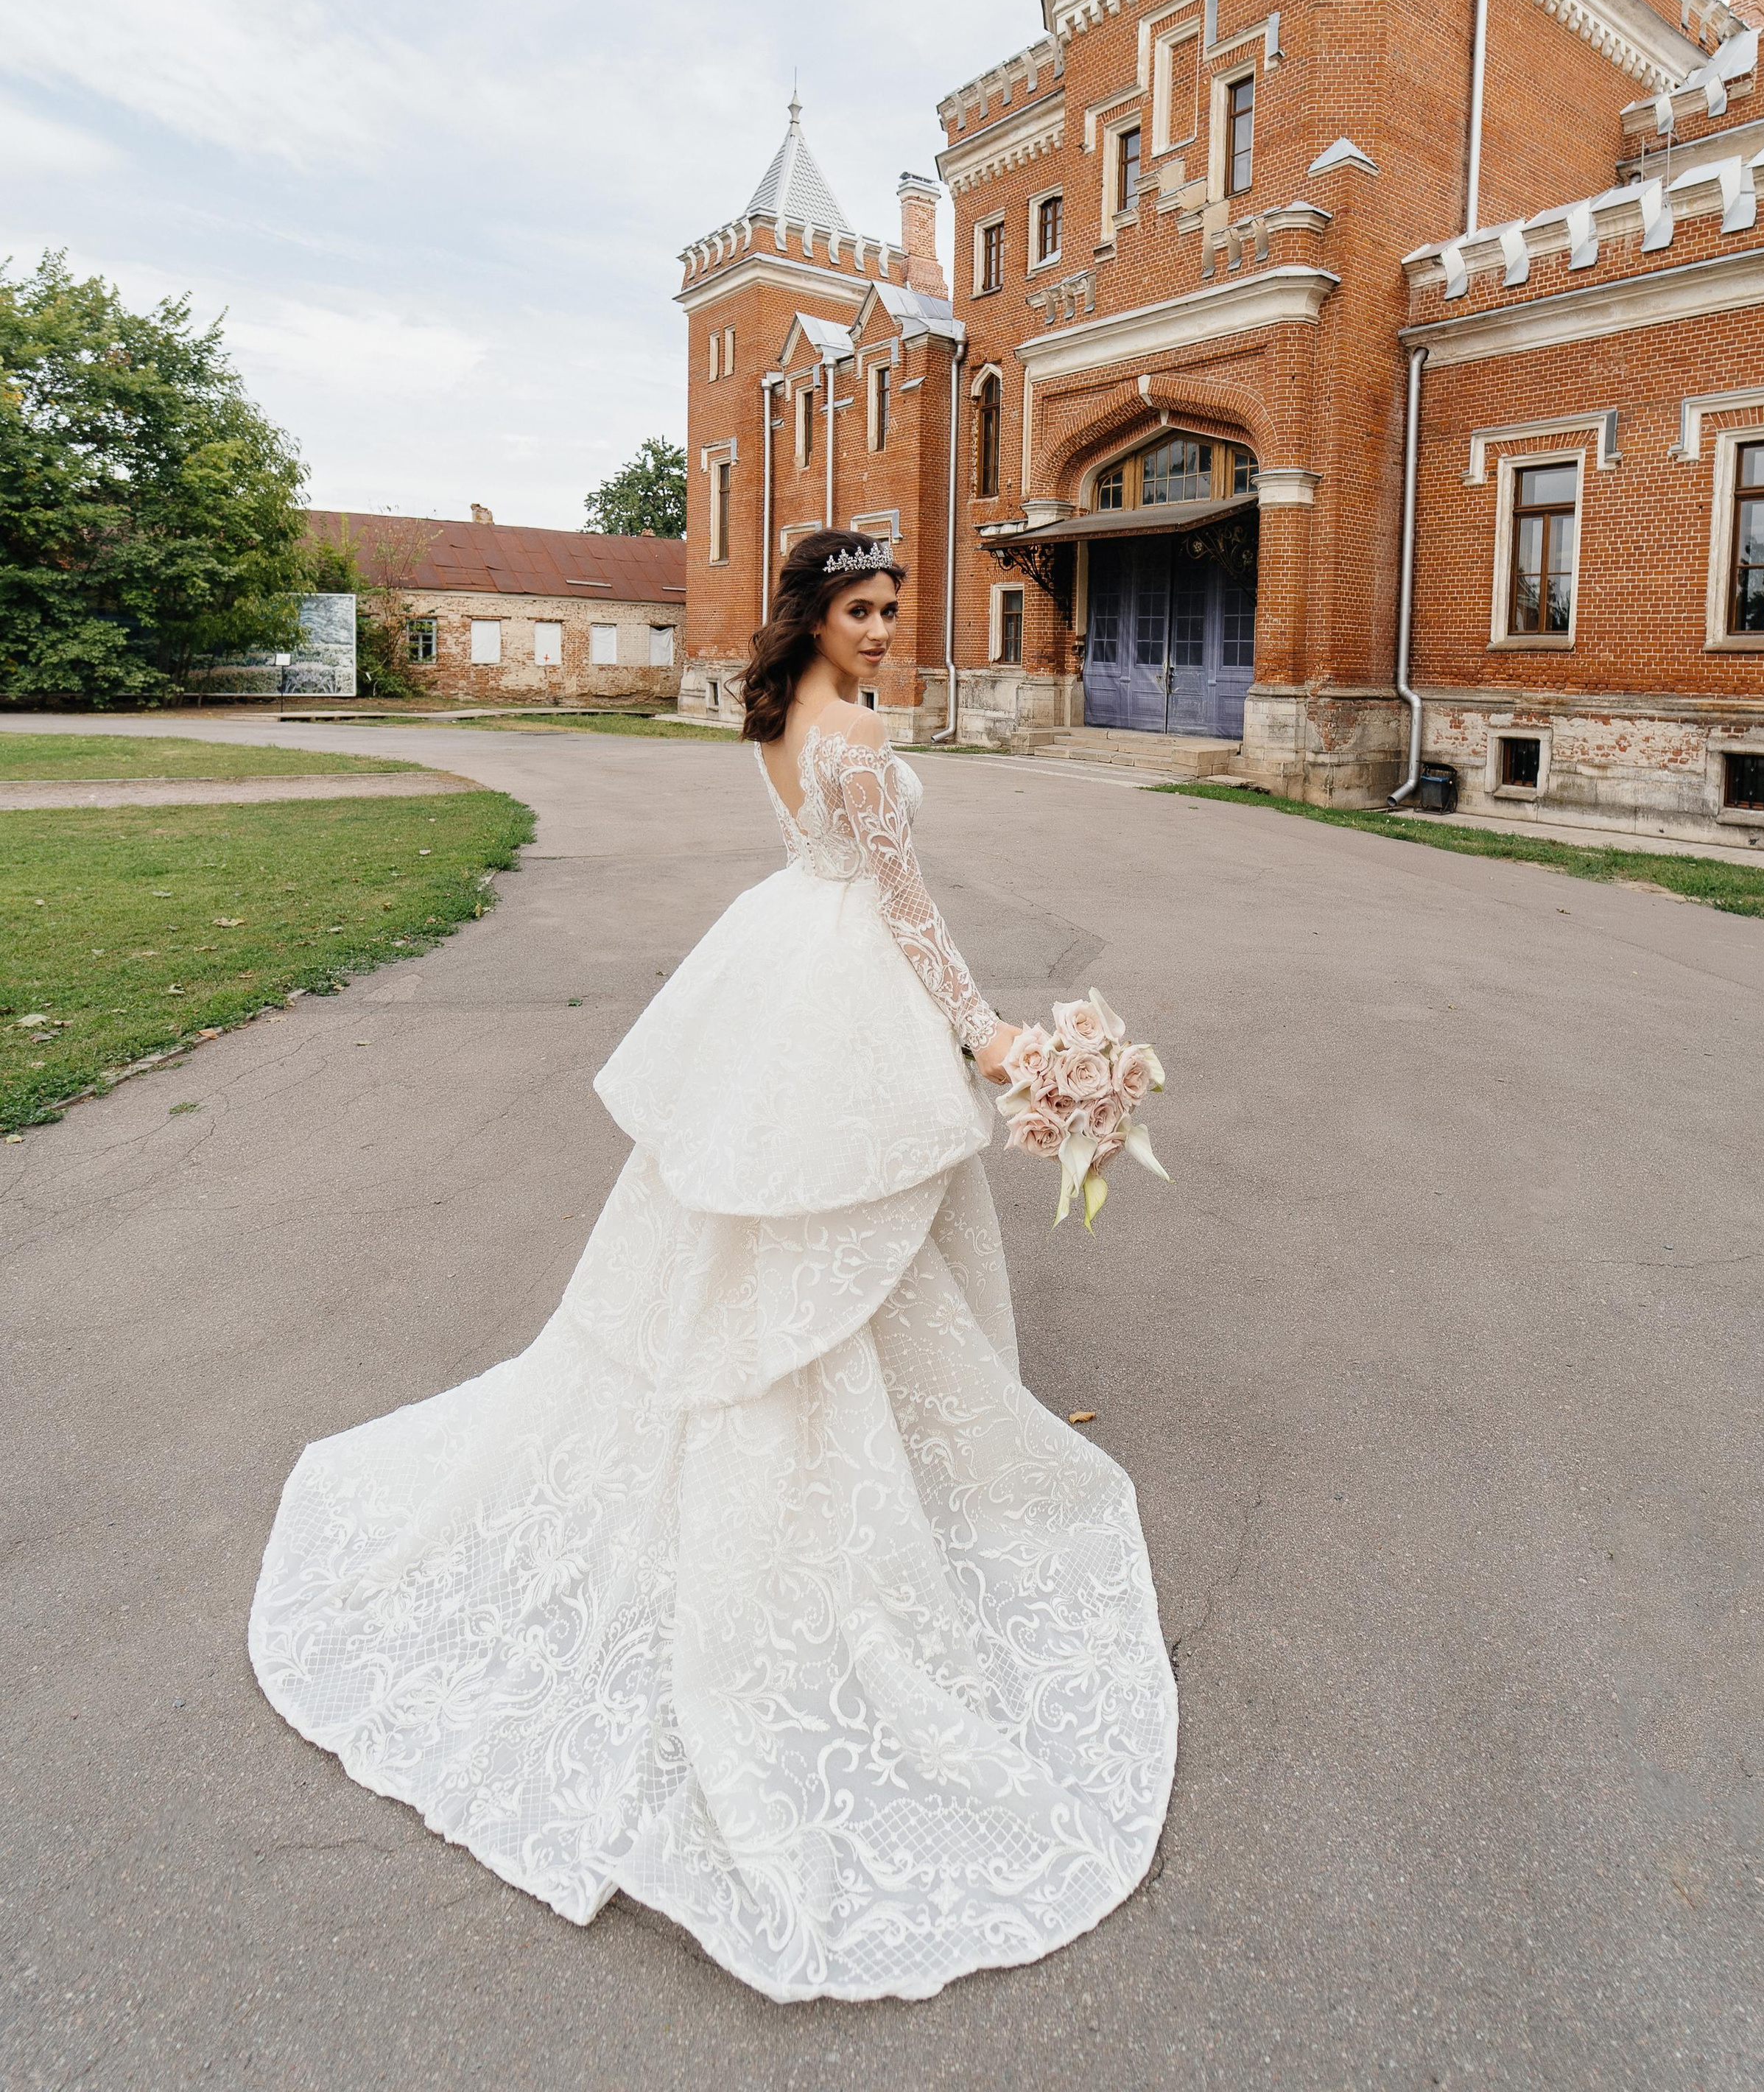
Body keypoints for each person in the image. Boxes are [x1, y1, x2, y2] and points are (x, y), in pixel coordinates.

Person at [250, 529, 1176, 2002]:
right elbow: (905, 913)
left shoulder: (772, 719)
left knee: (795, 1217)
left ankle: (844, 1427)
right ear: (813, 614)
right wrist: (992, 1037)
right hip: (845, 978)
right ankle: (829, 1466)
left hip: (784, 964)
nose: (882, 628)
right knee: (823, 1209)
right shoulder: (855, 735)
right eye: (860, 608)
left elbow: (845, 880)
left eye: (891, 607)